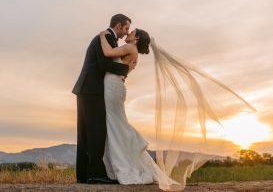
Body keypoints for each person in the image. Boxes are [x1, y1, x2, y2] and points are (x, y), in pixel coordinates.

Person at [99, 28, 256, 191]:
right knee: (116, 123)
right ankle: (127, 157)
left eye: (131, 32)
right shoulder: (133, 52)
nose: (128, 34)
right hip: (116, 87)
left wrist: (103, 36)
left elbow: (108, 52)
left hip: (114, 88)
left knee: (116, 123)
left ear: (136, 38)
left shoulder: (131, 48)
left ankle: (128, 156)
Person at [72, 14, 135, 184]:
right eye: (126, 28)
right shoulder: (106, 37)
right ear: (118, 26)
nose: (126, 32)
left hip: (89, 89)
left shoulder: (109, 39)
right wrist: (126, 69)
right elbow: (103, 64)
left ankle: (84, 175)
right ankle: (94, 175)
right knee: (95, 131)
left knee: (88, 132)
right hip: (91, 90)